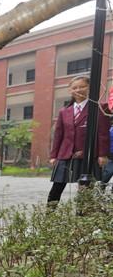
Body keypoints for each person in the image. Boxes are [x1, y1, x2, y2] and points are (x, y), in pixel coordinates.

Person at [47, 75, 110, 204]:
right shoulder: (64, 111)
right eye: (74, 87)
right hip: (65, 155)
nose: (78, 90)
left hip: (87, 155)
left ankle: (81, 218)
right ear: (70, 90)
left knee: (85, 189)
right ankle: (49, 216)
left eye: (82, 86)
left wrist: (102, 154)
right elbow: (58, 135)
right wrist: (53, 156)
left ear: (89, 88)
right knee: (56, 188)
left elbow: (103, 133)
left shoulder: (99, 108)